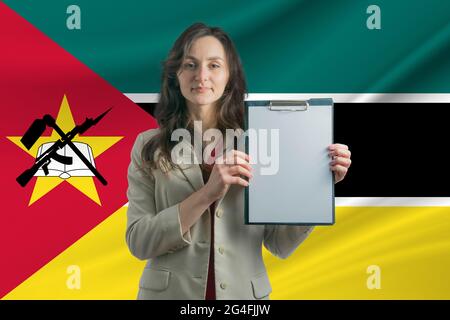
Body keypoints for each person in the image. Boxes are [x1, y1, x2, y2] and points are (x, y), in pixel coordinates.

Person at [125, 22, 352, 300]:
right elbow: (139, 241)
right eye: (190, 64)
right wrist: (208, 193)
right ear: (176, 74)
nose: (202, 76)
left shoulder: (261, 141)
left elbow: (280, 244)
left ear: (230, 75)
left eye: (214, 65)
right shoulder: (148, 146)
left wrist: (318, 184)